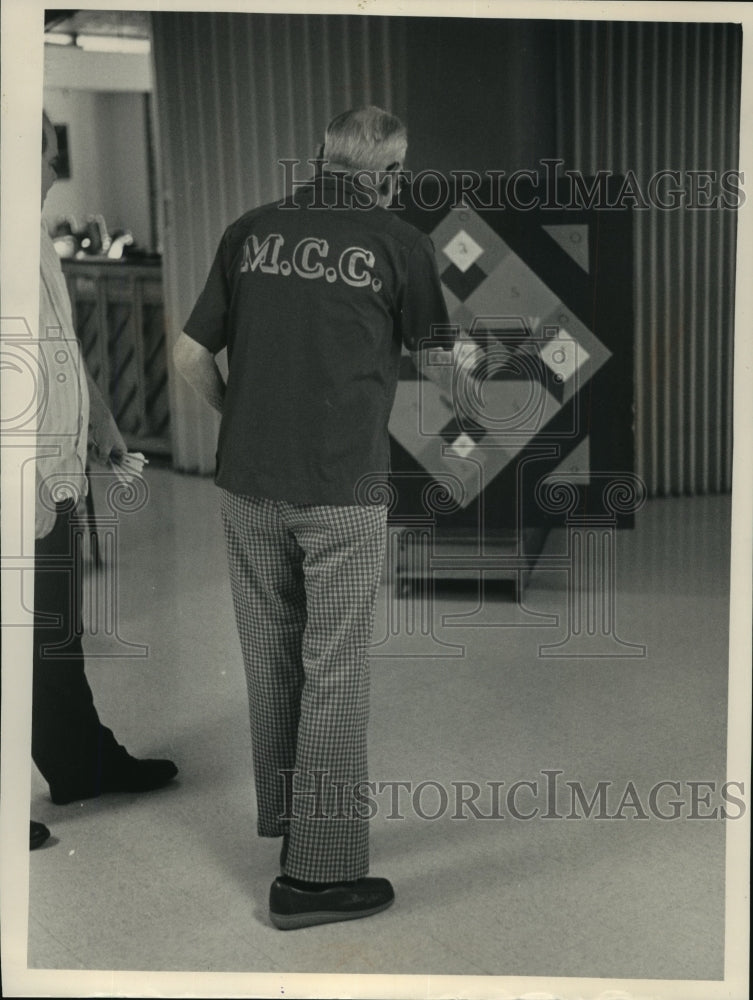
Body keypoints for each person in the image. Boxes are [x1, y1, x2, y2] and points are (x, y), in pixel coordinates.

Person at [174, 106, 454, 928]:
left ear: (322, 159)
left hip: (245, 484)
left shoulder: (250, 230)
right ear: (390, 173)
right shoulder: (401, 243)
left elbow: (190, 355)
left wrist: (240, 423)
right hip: (340, 493)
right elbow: (441, 368)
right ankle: (316, 881)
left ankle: (296, 825)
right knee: (335, 672)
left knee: (271, 656)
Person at [30, 112, 178, 848]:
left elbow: (58, 341)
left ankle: (80, 761)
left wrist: (102, 419)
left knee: (52, 632)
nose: (57, 173)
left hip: (52, 471)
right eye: (48, 157)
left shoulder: (31, 234)